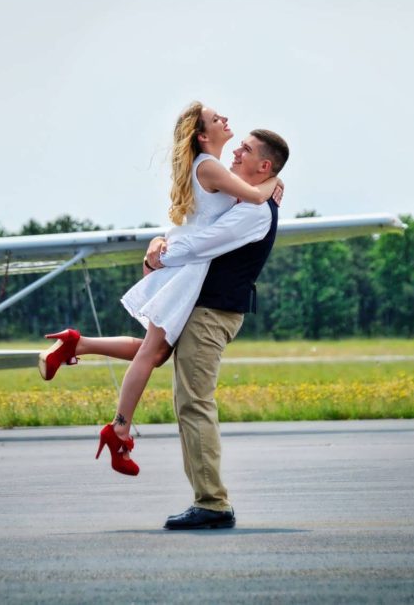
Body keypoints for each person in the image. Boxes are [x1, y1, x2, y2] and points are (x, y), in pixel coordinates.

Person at [39, 102, 283, 477]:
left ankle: (79, 344)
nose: (228, 126)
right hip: (185, 270)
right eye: (218, 120)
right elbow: (251, 199)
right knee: (151, 353)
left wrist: (161, 245)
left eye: (247, 149)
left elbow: (216, 213)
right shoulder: (210, 165)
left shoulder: (208, 169)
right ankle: (119, 427)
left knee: (155, 352)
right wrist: (273, 183)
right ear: (202, 135)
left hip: (187, 270)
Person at [151, 127, 289, 529]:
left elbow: (201, 243)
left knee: (194, 403)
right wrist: (159, 239)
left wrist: (161, 254)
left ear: (263, 166)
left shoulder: (254, 210)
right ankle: (208, 499)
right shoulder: (245, 198)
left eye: (244, 150)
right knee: (188, 402)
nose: (236, 152)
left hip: (212, 313)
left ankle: (212, 503)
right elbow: (196, 229)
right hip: (208, 310)